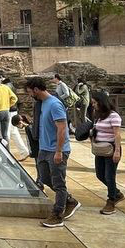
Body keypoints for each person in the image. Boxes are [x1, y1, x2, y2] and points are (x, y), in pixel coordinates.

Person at [27, 77, 79, 227]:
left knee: (58, 182)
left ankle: (57, 215)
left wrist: (59, 151)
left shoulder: (55, 104)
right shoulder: (42, 104)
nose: (30, 95)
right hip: (44, 149)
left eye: (30, 91)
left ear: (36, 90)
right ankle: (69, 200)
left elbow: (62, 129)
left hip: (56, 150)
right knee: (44, 178)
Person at [91, 90, 124, 215]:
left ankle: (111, 200)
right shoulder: (99, 116)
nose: (93, 105)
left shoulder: (113, 116)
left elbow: (117, 134)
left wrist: (117, 151)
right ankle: (116, 193)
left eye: (95, 103)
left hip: (111, 148)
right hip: (100, 148)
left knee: (110, 176)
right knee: (100, 174)